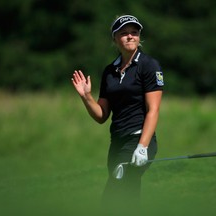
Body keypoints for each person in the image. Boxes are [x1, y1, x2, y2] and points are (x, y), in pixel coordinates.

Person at [71, 15, 164, 215]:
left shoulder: (149, 65)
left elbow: (153, 110)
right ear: (115, 39)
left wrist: (142, 147)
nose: (130, 36)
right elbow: (101, 115)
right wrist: (86, 96)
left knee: (116, 195)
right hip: (117, 143)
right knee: (124, 196)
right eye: (124, 33)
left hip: (139, 140)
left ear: (139, 37)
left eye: (134, 32)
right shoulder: (109, 71)